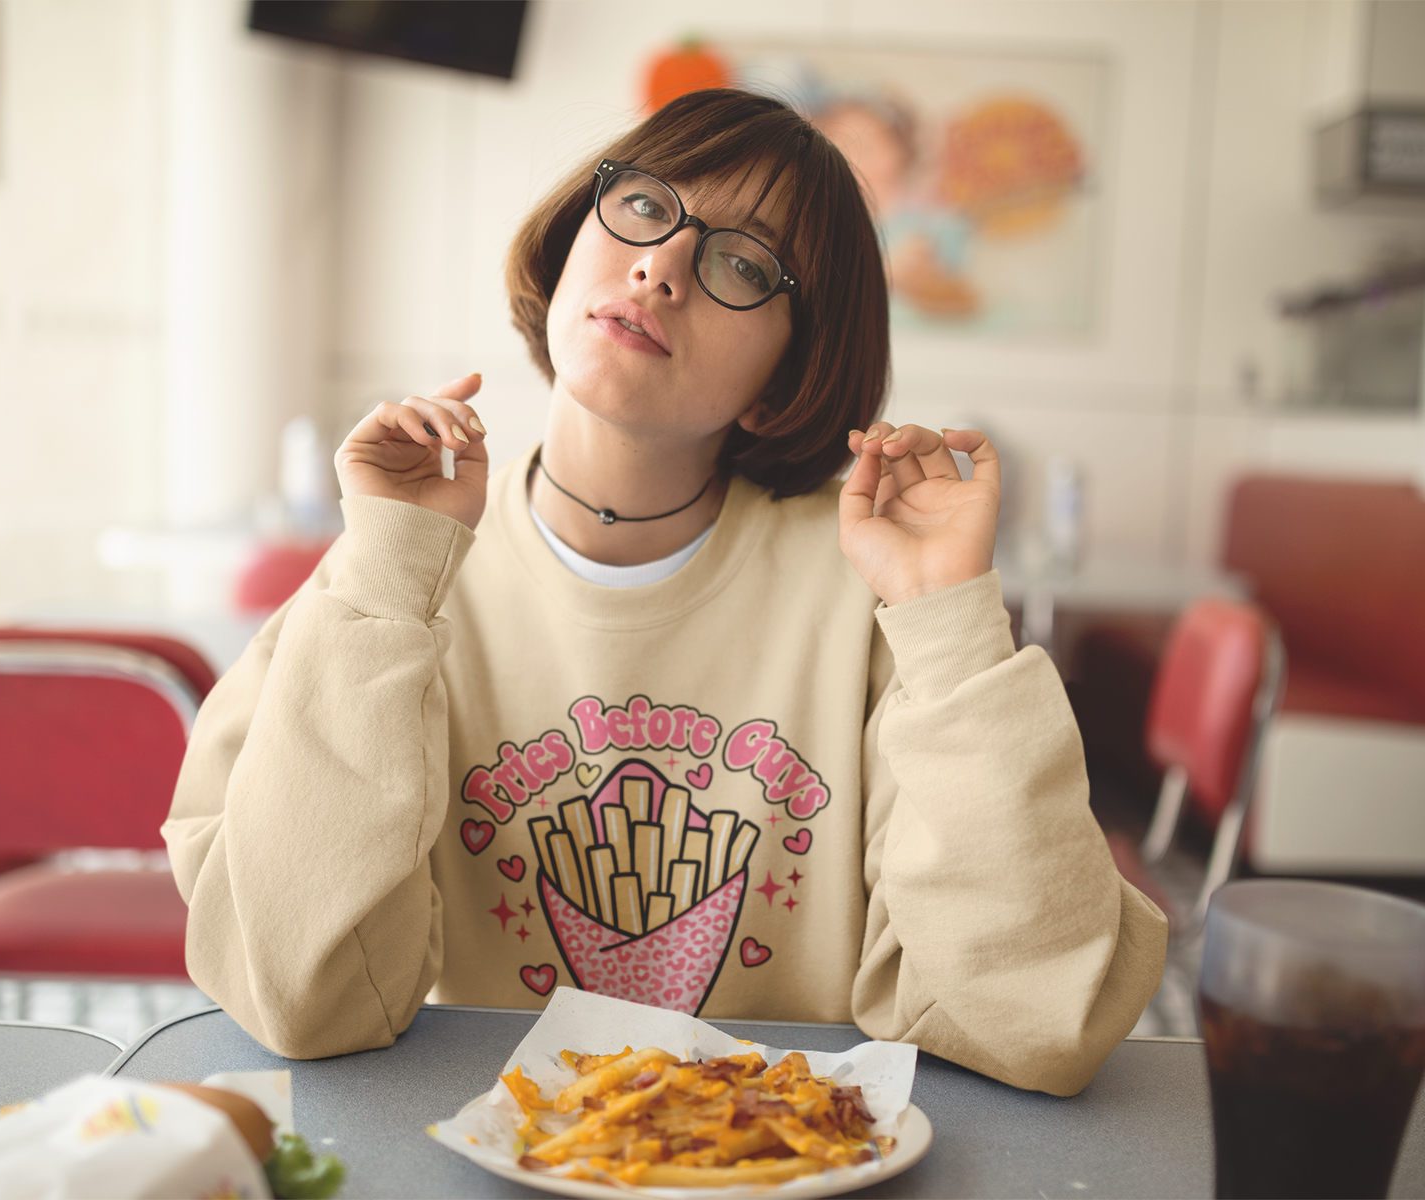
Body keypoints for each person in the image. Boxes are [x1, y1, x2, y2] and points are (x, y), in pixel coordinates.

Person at [164, 89, 1166, 1096]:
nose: (662, 265)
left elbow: (1030, 1019)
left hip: (789, 1157)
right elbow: (297, 990)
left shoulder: (871, 598)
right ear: (567, 252)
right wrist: (384, 570)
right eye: (644, 208)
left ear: (784, 378)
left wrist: (948, 622)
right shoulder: (399, 573)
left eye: (740, 263)